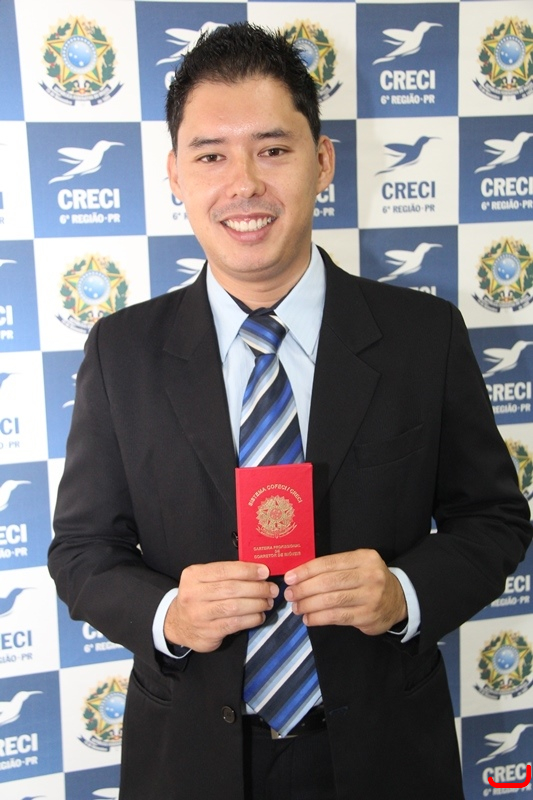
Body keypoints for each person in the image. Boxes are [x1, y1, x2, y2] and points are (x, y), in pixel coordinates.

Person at [48, 22, 531, 800]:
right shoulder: (121, 351)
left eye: (272, 149)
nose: (243, 183)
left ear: (322, 161)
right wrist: (169, 613)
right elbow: (80, 552)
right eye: (211, 156)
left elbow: (494, 520)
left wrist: (402, 593)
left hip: (385, 753)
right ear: (175, 174)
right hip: (190, 760)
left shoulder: (422, 335)